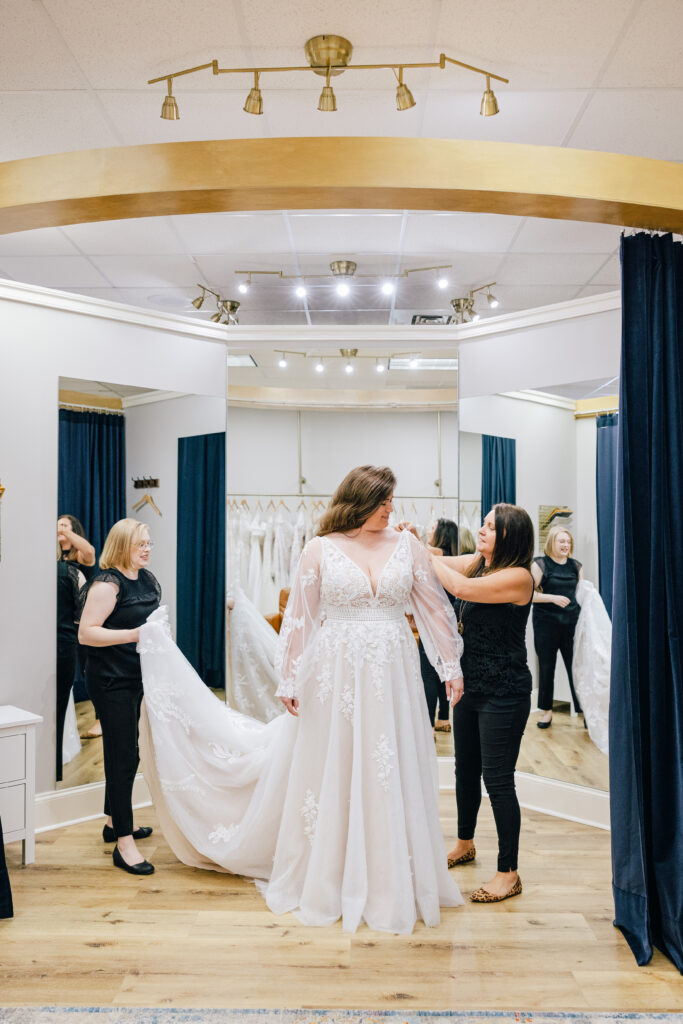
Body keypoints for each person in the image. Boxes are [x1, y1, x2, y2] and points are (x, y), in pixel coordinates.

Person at [138, 465, 465, 934]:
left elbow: (433, 608)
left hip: (393, 671)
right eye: (383, 501)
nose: (391, 509)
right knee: (336, 763)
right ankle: (329, 870)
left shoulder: (407, 545)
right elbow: (300, 620)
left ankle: (392, 875)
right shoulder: (319, 549)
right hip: (334, 672)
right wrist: (289, 678)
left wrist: (449, 666)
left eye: (392, 501)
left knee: (386, 762)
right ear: (359, 501)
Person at [427, 503, 535, 904]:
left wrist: (424, 556)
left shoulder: (519, 577)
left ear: (509, 535)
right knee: (464, 770)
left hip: (505, 692)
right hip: (471, 686)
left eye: (491, 526)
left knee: (498, 780)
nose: (483, 530)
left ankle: (509, 872)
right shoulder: (480, 563)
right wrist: (411, 543)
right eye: (484, 524)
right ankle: (465, 842)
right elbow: (441, 560)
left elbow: (460, 589)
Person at [79, 519, 159, 876]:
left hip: (138, 675)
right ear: (123, 545)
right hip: (111, 680)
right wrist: (135, 635)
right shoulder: (107, 584)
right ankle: (123, 843)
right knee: (122, 754)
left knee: (130, 750)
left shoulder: (147, 579)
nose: (147, 549)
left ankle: (113, 821)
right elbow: (86, 633)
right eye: (140, 544)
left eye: (148, 543)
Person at [531, 526, 584, 728]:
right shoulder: (540, 564)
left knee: (577, 668)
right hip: (546, 624)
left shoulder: (576, 566)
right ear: (552, 542)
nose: (565, 545)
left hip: (571, 624)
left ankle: (584, 710)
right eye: (561, 541)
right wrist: (552, 598)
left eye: (568, 542)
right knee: (546, 668)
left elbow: (581, 594)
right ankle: (546, 712)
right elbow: (529, 595)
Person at [58, 515, 100, 736]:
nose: (59, 528)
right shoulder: (54, 556)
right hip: (62, 623)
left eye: (64, 525)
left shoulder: (81, 556)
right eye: (58, 525)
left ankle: (99, 719)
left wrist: (65, 532)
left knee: (88, 668)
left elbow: (91, 552)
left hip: (83, 621)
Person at [418, 518, 459, 733]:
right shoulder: (455, 557)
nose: (429, 530)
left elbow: (417, 550)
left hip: (433, 619)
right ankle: (443, 718)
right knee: (446, 668)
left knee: (429, 673)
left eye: (432, 528)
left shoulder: (434, 553)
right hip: (450, 620)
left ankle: (428, 725)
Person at [56, 555, 84, 781]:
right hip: (63, 645)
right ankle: (53, 771)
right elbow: (81, 613)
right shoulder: (70, 573)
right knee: (59, 709)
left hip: (34, 643)